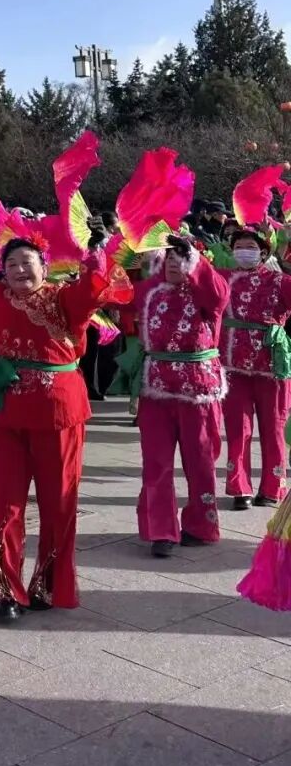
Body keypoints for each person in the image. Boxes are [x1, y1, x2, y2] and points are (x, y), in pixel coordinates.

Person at [0, 233, 128, 619]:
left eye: (27, 262)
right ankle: (6, 589)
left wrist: (95, 252)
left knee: (59, 502)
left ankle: (49, 584)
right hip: (8, 411)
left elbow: (92, 290)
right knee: (5, 500)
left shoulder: (63, 297)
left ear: (44, 268)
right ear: (3, 271)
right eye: (11, 264)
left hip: (59, 412)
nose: (19, 270)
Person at [128, 236, 230, 558]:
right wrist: (102, 256)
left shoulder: (205, 291)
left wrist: (195, 258)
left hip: (198, 390)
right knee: (155, 461)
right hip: (156, 389)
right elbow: (116, 296)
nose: (174, 261)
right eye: (169, 255)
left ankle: (201, 525)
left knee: (200, 460)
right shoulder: (149, 290)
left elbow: (219, 294)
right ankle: (161, 530)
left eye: (181, 256)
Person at [217, 227, 291, 510]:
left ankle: (273, 487)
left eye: (250, 246)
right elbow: (196, 283)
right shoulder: (223, 279)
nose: (243, 251)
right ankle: (240, 488)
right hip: (233, 367)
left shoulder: (280, 281)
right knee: (238, 430)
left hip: (272, 366)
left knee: (274, 429)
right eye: (239, 246)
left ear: (263, 252)